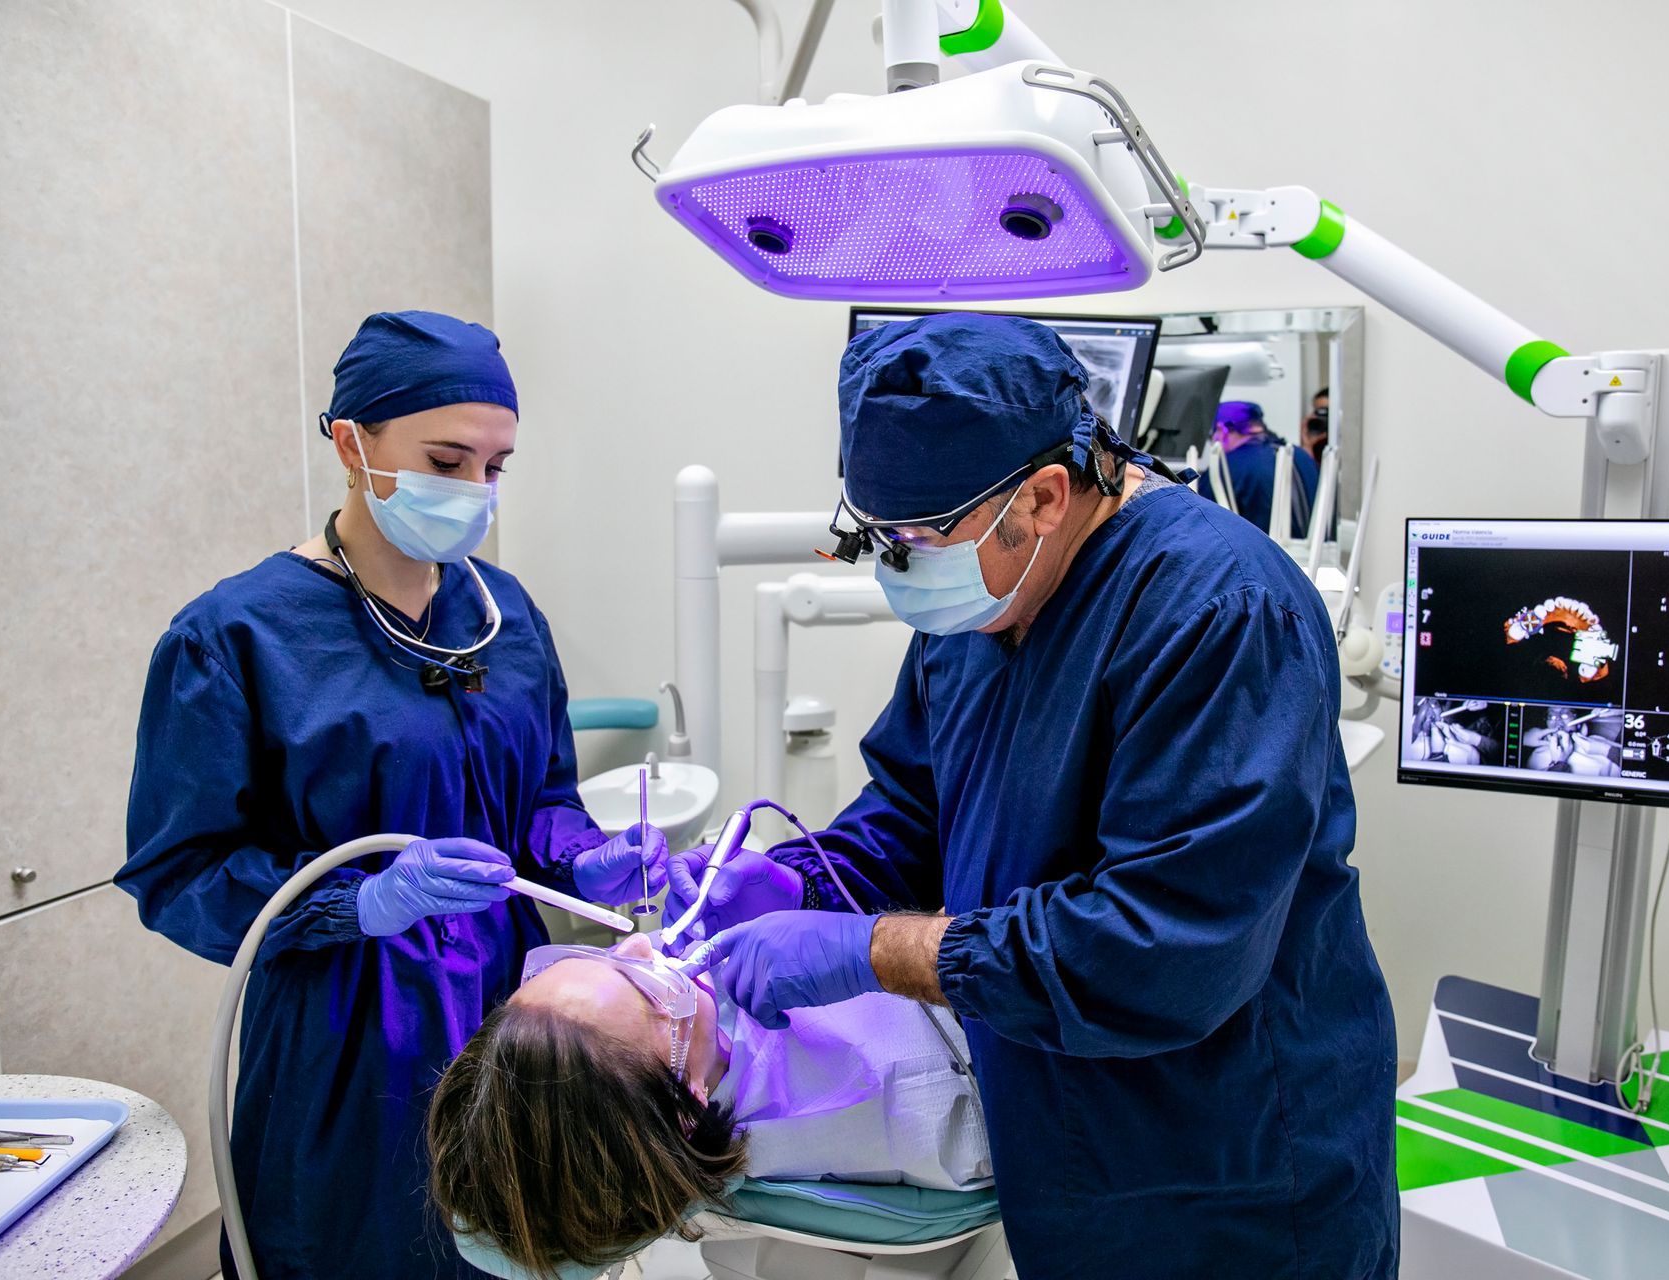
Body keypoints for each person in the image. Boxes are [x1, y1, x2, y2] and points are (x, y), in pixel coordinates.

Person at [665, 314, 1399, 1278]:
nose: (900, 568)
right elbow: (914, 814)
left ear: (1047, 496)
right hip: (1068, 1152)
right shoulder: (980, 600)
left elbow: (1165, 947)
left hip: (1232, 1171)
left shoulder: (1219, 611)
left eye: (920, 538)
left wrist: (875, 950)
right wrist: (791, 880)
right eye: (876, 538)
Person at [118, 311, 666, 1279]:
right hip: (345, 1032)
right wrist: (362, 899)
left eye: (495, 467)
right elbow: (179, 872)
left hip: (508, 1011)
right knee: (359, 1242)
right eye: (445, 460)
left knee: (513, 1241)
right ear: (351, 441)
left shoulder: (504, 614)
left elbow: (542, 795)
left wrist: (583, 851)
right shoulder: (237, 636)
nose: (472, 491)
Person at [429, 933, 991, 1279]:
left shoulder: (655, 1066)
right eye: (643, 984)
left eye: (602, 955)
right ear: (686, 1109)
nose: (642, 945)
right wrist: (897, 946)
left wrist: (801, 882)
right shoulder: (910, 1096)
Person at [1194, 398, 1320, 537]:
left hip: (1262, 555)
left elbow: (1200, 522)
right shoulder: (1301, 455)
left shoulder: (1226, 467)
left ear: (1221, 430)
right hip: (1311, 555)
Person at [1303, 385, 1331, 462]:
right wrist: (1307, 445)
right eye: (1318, 411)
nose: (1322, 417)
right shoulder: (1316, 442)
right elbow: (1310, 472)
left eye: (1326, 412)